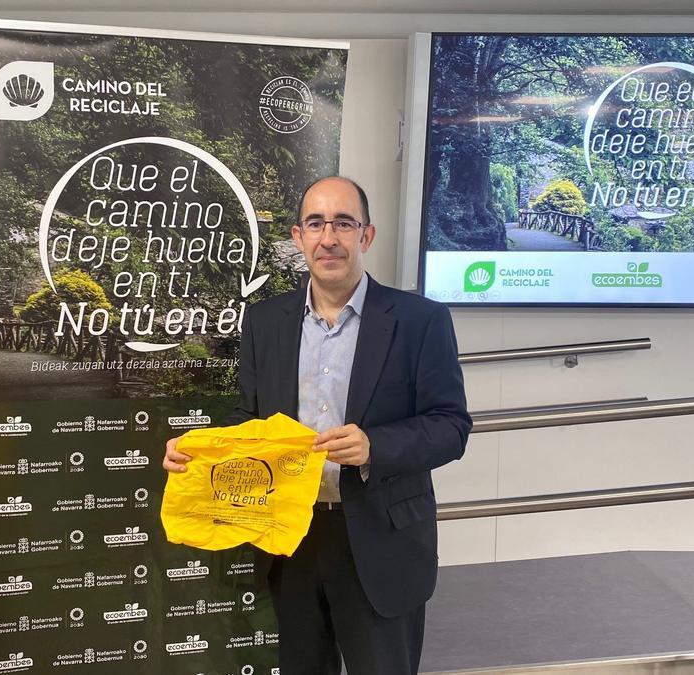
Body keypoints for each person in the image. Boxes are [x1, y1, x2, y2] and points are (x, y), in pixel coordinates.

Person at [164, 176, 471, 674]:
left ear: (365, 236)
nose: (329, 237)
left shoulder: (420, 320)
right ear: (298, 236)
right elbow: (251, 419)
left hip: (380, 539)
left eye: (344, 223)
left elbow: (451, 426)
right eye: (316, 223)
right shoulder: (265, 321)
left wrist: (375, 445)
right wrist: (199, 452)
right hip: (291, 537)